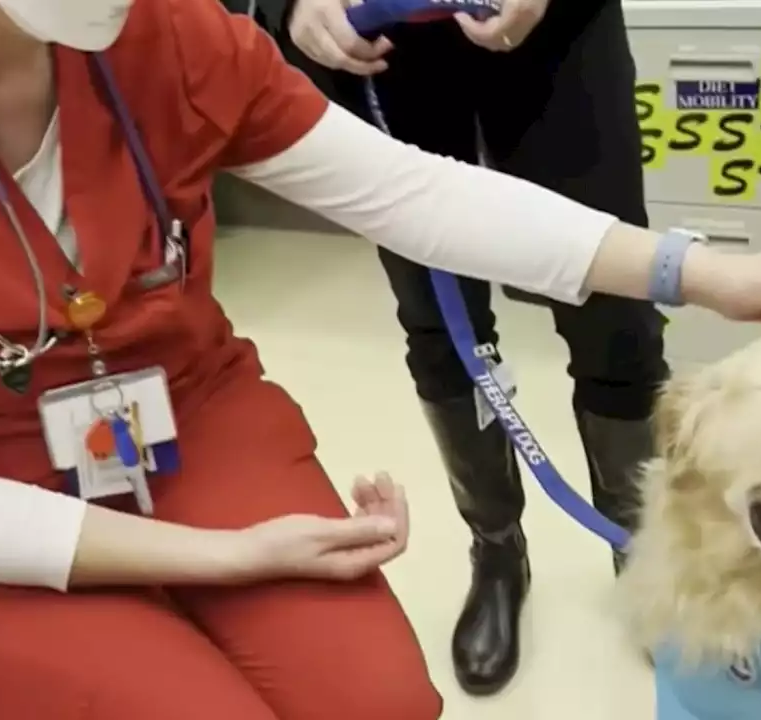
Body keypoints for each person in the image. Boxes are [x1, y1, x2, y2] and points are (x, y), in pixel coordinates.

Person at [0, 0, 761, 717]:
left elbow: (411, 193)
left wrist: (700, 271)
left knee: (375, 702)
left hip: (177, 409)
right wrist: (228, 559)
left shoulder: (166, 32)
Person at [272, 0, 667, 694]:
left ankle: (642, 554)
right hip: (383, 46)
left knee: (617, 316)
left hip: (556, 36)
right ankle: (497, 551)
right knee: (437, 324)